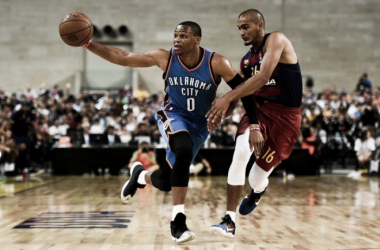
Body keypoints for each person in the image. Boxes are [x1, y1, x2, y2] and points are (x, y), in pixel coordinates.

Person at [76, 20, 262, 244]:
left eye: (183, 36)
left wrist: (239, 116)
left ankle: (140, 176)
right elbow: (122, 57)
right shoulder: (165, 57)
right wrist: (89, 44)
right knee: (183, 150)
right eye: (176, 35)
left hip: (200, 126)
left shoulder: (217, 62)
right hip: (173, 115)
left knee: (166, 180)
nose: (177, 39)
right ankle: (178, 221)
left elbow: (244, 91)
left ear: (197, 40)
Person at [207, 9, 302, 238]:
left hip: (285, 118)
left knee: (256, 178)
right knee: (240, 152)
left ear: (260, 25)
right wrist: (220, 112)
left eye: (245, 27)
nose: (241, 32)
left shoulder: (276, 39)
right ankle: (229, 220)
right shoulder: (246, 61)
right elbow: (237, 94)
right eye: (239, 28)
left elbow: (263, 76)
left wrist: (226, 99)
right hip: (257, 111)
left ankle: (256, 193)